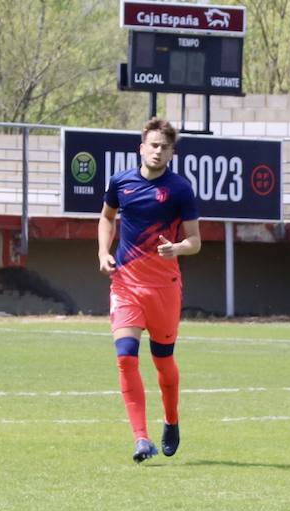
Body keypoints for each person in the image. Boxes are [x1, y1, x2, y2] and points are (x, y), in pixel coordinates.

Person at [98, 117, 201, 463]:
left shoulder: (179, 190)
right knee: (125, 357)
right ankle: (141, 439)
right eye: (152, 144)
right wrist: (103, 252)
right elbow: (106, 218)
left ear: (172, 153)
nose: (157, 151)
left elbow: (195, 241)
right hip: (126, 284)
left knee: (163, 361)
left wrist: (177, 248)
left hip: (163, 288)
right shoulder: (120, 182)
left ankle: (171, 420)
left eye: (164, 147)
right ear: (141, 147)